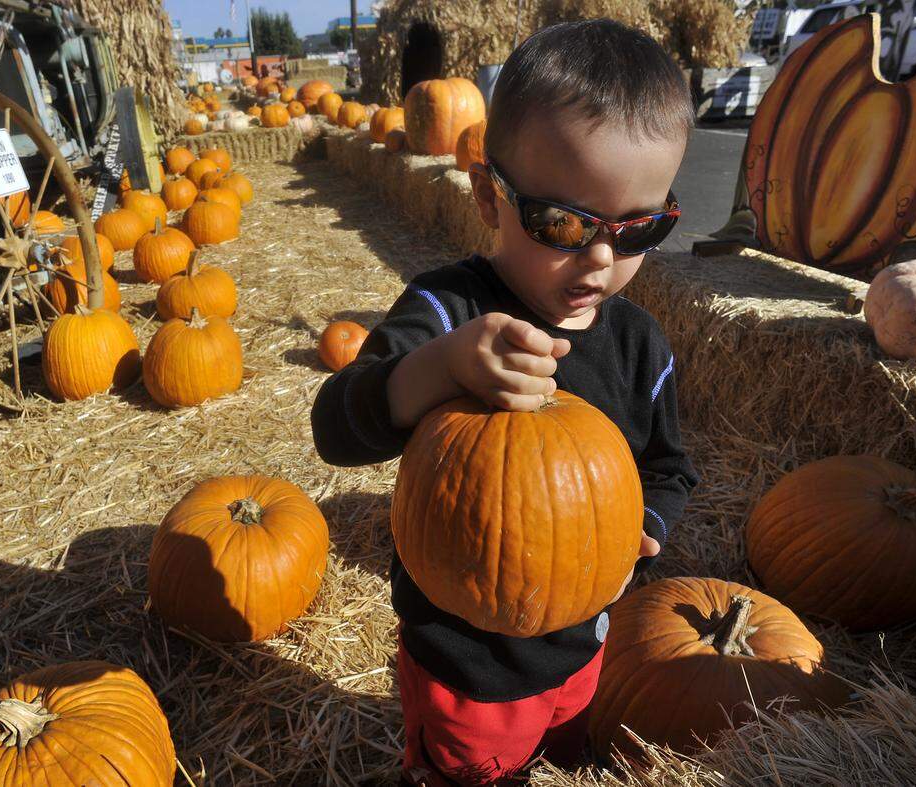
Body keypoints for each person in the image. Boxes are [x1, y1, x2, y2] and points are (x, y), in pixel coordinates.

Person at [311, 19, 700, 787]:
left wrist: (641, 532)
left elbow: (669, 466)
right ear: (490, 194)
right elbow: (335, 425)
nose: (599, 258)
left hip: (586, 643)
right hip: (466, 666)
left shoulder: (640, 346)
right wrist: (440, 367)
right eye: (563, 222)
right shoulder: (448, 309)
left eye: (638, 229)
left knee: (567, 750)